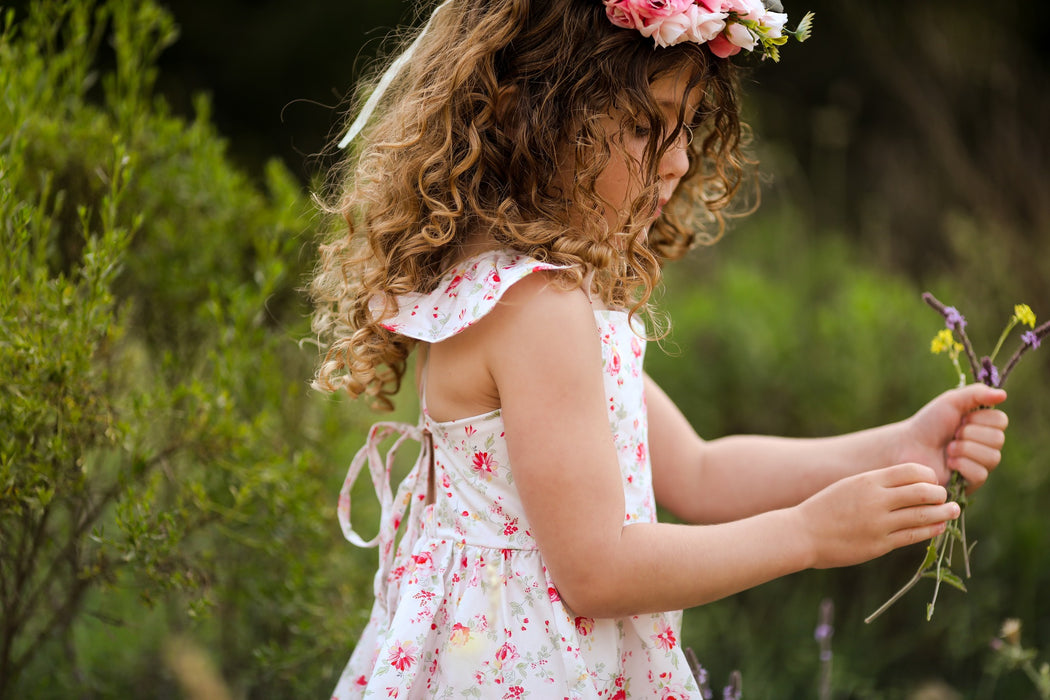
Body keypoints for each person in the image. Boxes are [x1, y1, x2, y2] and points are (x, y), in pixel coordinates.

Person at [310, 1, 1010, 697]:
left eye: (687, 127)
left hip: (493, 652)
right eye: (646, 126)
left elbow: (699, 472)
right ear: (539, 115)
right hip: (523, 667)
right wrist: (807, 535)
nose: (677, 161)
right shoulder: (535, 310)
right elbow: (598, 572)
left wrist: (899, 447)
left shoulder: (519, 290)